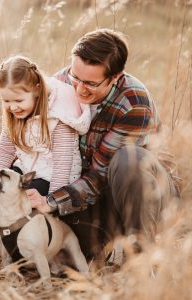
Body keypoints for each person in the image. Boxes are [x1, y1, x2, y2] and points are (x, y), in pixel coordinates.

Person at [26, 28, 181, 266]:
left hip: (144, 193)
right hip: (92, 194)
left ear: (115, 78)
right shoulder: (59, 84)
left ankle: (143, 257)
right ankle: (101, 248)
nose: (78, 89)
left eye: (90, 83)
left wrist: (52, 202)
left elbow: (99, 175)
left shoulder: (133, 102)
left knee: (128, 160)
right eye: (75, 77)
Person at [0, 55, 92, 275]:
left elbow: (63, 163)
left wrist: (51, 201)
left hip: (56, 179)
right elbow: (4, 148)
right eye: (6, 101)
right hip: (26, 169)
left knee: (20, 197)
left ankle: (31, 250)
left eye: (18, 101)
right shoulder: (14, 115)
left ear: (37, 89)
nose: (12, 107)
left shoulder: (60, 116)